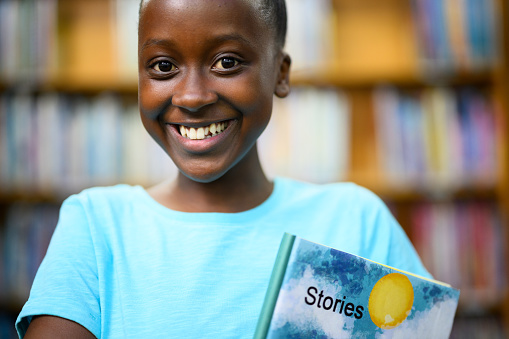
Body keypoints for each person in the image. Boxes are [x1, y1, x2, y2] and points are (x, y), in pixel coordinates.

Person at [16, 0, 431, 337]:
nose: (192, 97)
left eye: (227, 62)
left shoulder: (355, 220)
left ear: (280, 75)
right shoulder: (96, 225)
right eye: (163, 66)